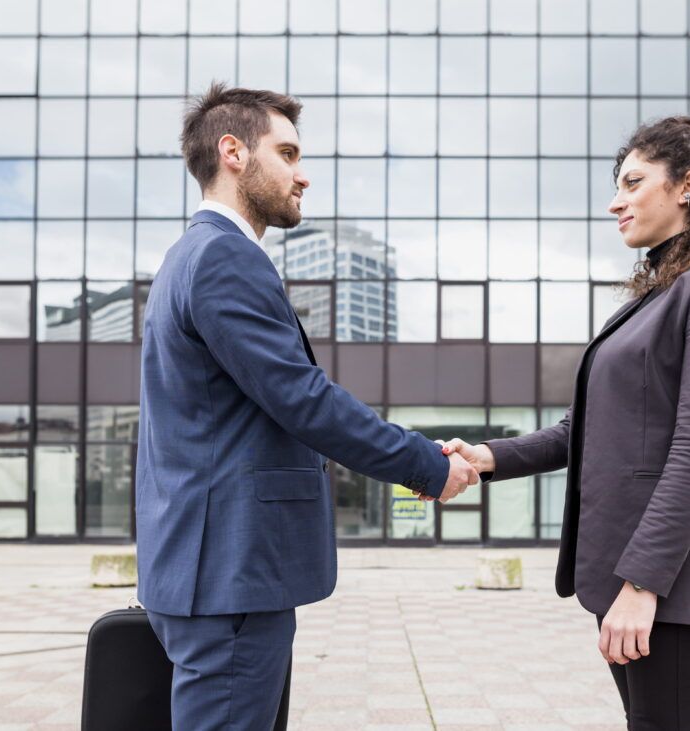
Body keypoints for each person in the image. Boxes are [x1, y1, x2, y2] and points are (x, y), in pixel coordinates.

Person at [135, 82, 478, 730]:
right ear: (233, 152)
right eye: (287, 153)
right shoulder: (222, 260)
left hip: (209, 572)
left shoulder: (187, 258)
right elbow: (303, 400)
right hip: (228, 579)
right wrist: (425, 464)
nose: (302, 175)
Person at [442, 116, 690, 730]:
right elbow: (582, 431)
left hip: (660, 578)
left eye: (631, 182)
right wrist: (483, 456)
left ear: (687, 186)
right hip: (626, 569)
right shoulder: (657, 294)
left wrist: (644, 584)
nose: (614, 201)